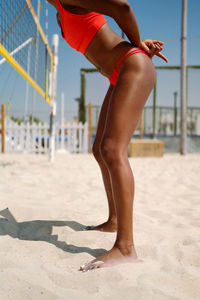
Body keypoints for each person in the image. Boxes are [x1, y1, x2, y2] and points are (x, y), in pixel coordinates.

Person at [47, 0, 168, 272]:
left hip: (131, 65)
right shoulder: (59, 11)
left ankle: (125, 247)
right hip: (117, 72)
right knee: (99, 149)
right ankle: (114, 219)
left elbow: (122, 7)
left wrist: (137, 44)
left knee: (113, 150)